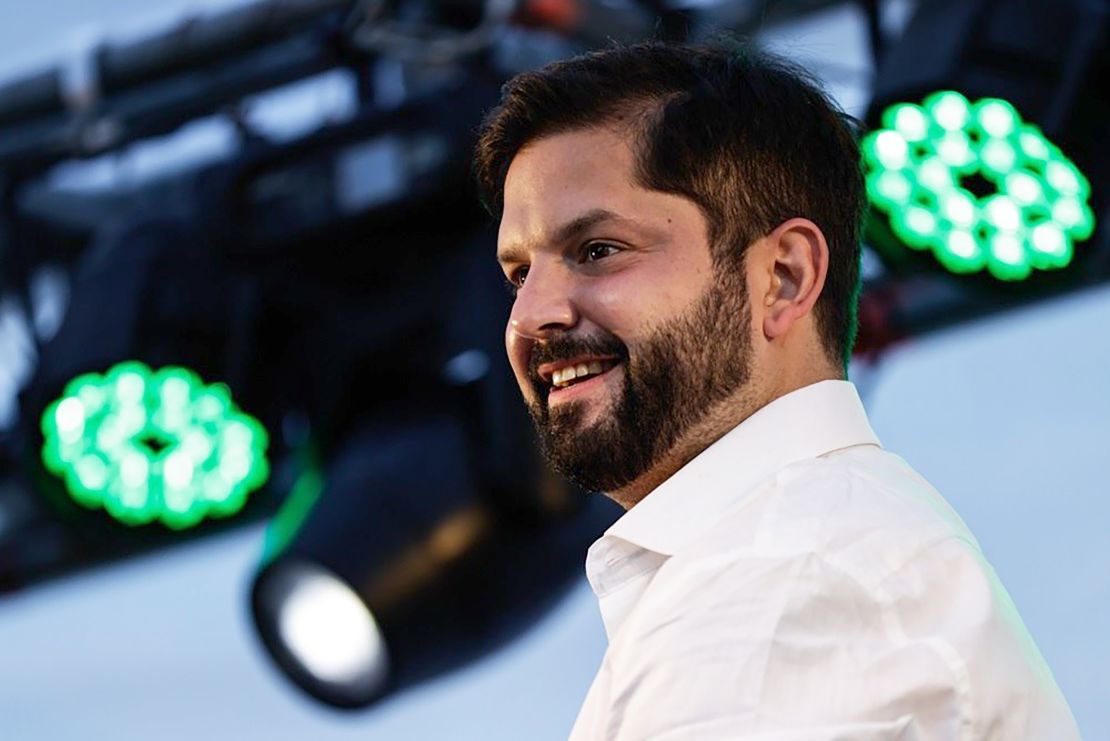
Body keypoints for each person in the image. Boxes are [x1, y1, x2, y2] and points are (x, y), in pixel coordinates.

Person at [473, 40, 1079, 740]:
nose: (530, 314)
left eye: (598, 250)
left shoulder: (786, 584)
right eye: (520, 274)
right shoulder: (790, 564)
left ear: (784, 276)